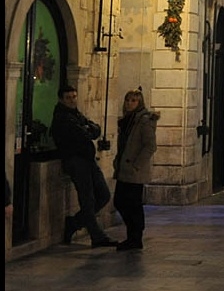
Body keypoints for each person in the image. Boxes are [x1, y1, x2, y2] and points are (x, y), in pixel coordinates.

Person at [50, 84, 117, 247]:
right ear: (61, 99)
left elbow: (95, 130)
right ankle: (97, 236)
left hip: (88, 160)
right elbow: (82, 134)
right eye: (68, 98)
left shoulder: (76, 114)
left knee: (103, 195)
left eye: (74, 96)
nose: (72, 100)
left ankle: (74, 223)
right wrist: (88, 129)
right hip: (76, 161)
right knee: (87, 199)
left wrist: (89, 128)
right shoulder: (62, 117)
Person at [113, 88, 159, 251]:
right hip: (124, 169)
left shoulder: (143, 121)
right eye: (128, 100)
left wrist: (136, 165)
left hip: (133, 171)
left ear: (140, 103)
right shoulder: (128, 120)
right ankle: (132, 235)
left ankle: (135, 237)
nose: (130, 103)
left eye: (134, 100)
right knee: (120, 201)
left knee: (132, 204)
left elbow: (150, 146)